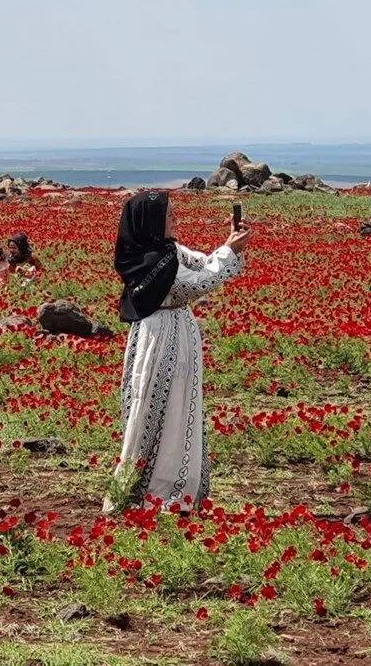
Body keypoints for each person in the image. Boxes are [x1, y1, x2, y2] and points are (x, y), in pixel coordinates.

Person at [103, 191, 251, 514]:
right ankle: (154, 490)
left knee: (178, 407)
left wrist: (229, 244)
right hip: (160, 341)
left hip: (176, 336)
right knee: (159, 408)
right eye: (170, 215)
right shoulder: (155, 264)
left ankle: (173, 486)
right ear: (152, 222)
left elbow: (204, 263)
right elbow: (197, 282)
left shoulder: (168, 253)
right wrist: (229, 251)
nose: (176, 219)